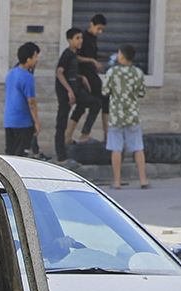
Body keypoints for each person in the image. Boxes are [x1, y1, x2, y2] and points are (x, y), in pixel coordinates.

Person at [103, 44, 148, 189]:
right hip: (133, 115)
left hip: (116, 115)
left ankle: (117, 181)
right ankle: (143, 180)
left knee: (116, 148)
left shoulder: (112, 72)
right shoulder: (138, 73)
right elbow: (142, 92)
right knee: (138, 147)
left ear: (122, 56)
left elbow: (105, 90)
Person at [74, 14, 110, 143]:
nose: (100, 32)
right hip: (86, 76)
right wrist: (92, 61)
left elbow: (93, 56)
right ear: (91, 24)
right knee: (97, 102)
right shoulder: (82, 38)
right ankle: (85, 134)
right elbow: (76, 57)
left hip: (92, 74)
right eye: (98, 28)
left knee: (103, 101)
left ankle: (107, 135)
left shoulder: (94, 39)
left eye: (102, 30)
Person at [3, 42, 43, 159]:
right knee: (21, 157)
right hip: (23, 123)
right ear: (28, 59)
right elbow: (31, 102)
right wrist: (36, 122)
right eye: (35, 56)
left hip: (9, 121)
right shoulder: (27, 77)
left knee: (11, 156)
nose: (37, 60)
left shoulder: (10, 74)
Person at [53, 28, 87, 164]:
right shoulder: (67, 54)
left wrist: (81, 77)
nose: (80, 41)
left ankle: (67, 142)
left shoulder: (74, 55)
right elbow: (59, 72)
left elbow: (69, 72)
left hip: (71, 92)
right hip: (64, 94)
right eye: (77, 38)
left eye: (81, 38)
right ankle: (61, 156)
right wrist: (69, 91)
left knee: (84, 105)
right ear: (69, 40)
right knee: (61, 123)